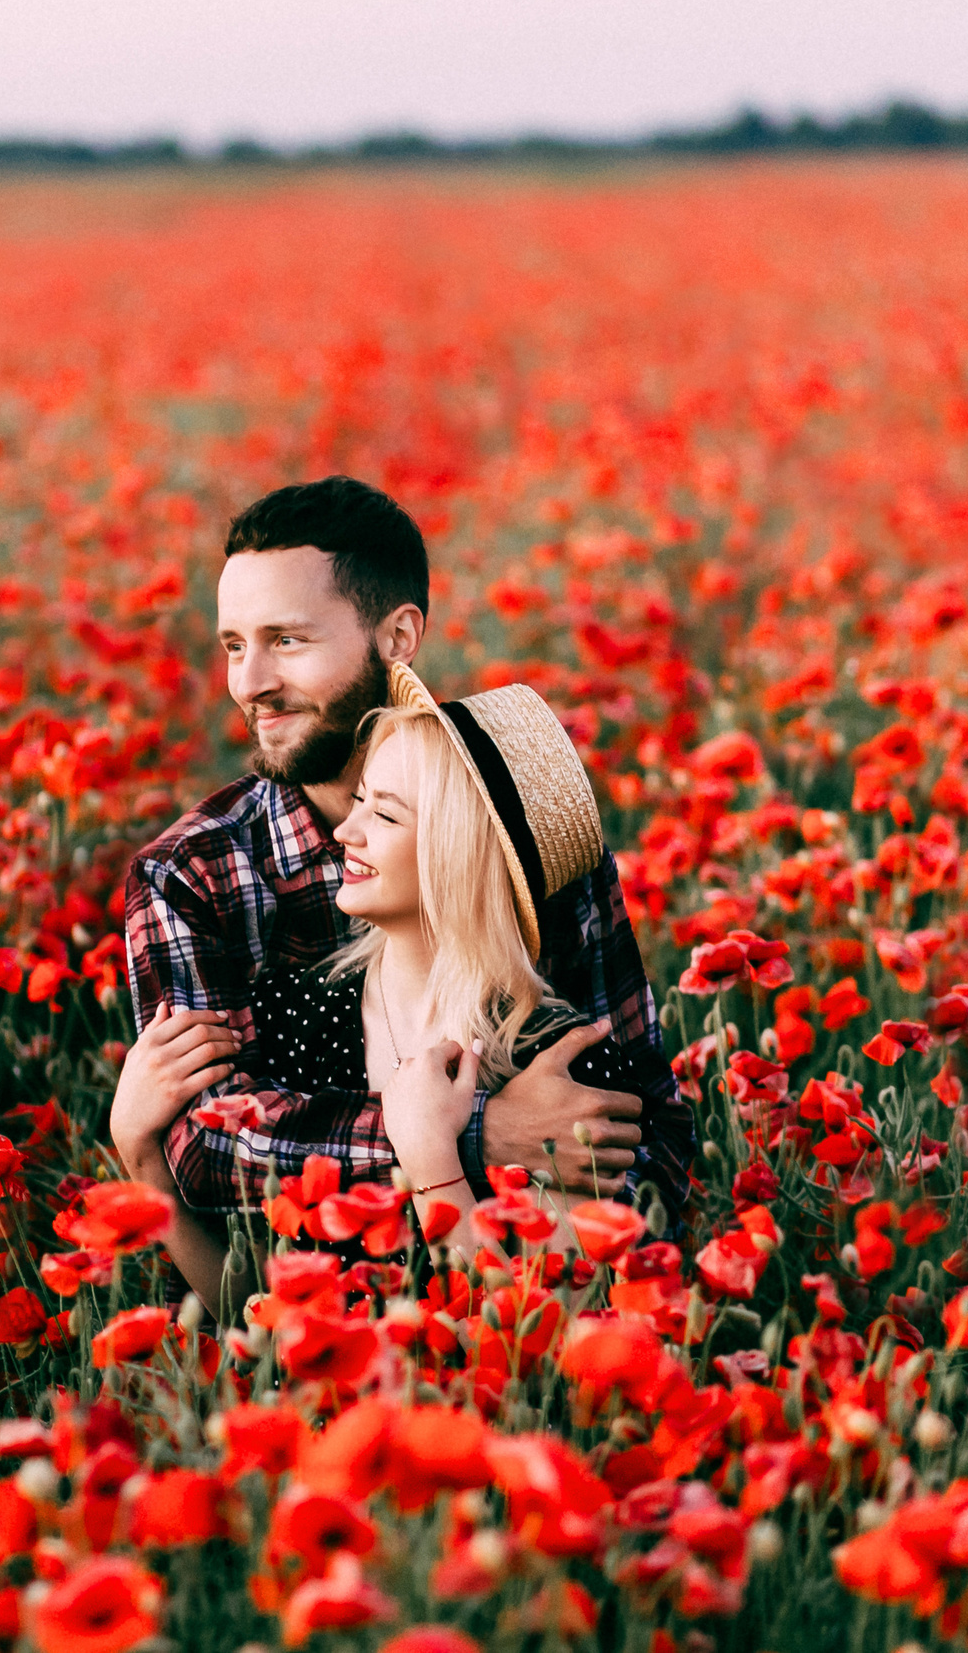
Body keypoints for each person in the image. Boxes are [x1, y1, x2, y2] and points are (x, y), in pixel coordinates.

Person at [110, 477, 689, 1314]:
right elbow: (204, 1143)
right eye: (234, 645)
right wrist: (473, 1132)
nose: (250, 682)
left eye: (287, 640)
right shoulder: (193, 875)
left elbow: (639, 1128)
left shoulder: (530, 834)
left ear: (398, 636)